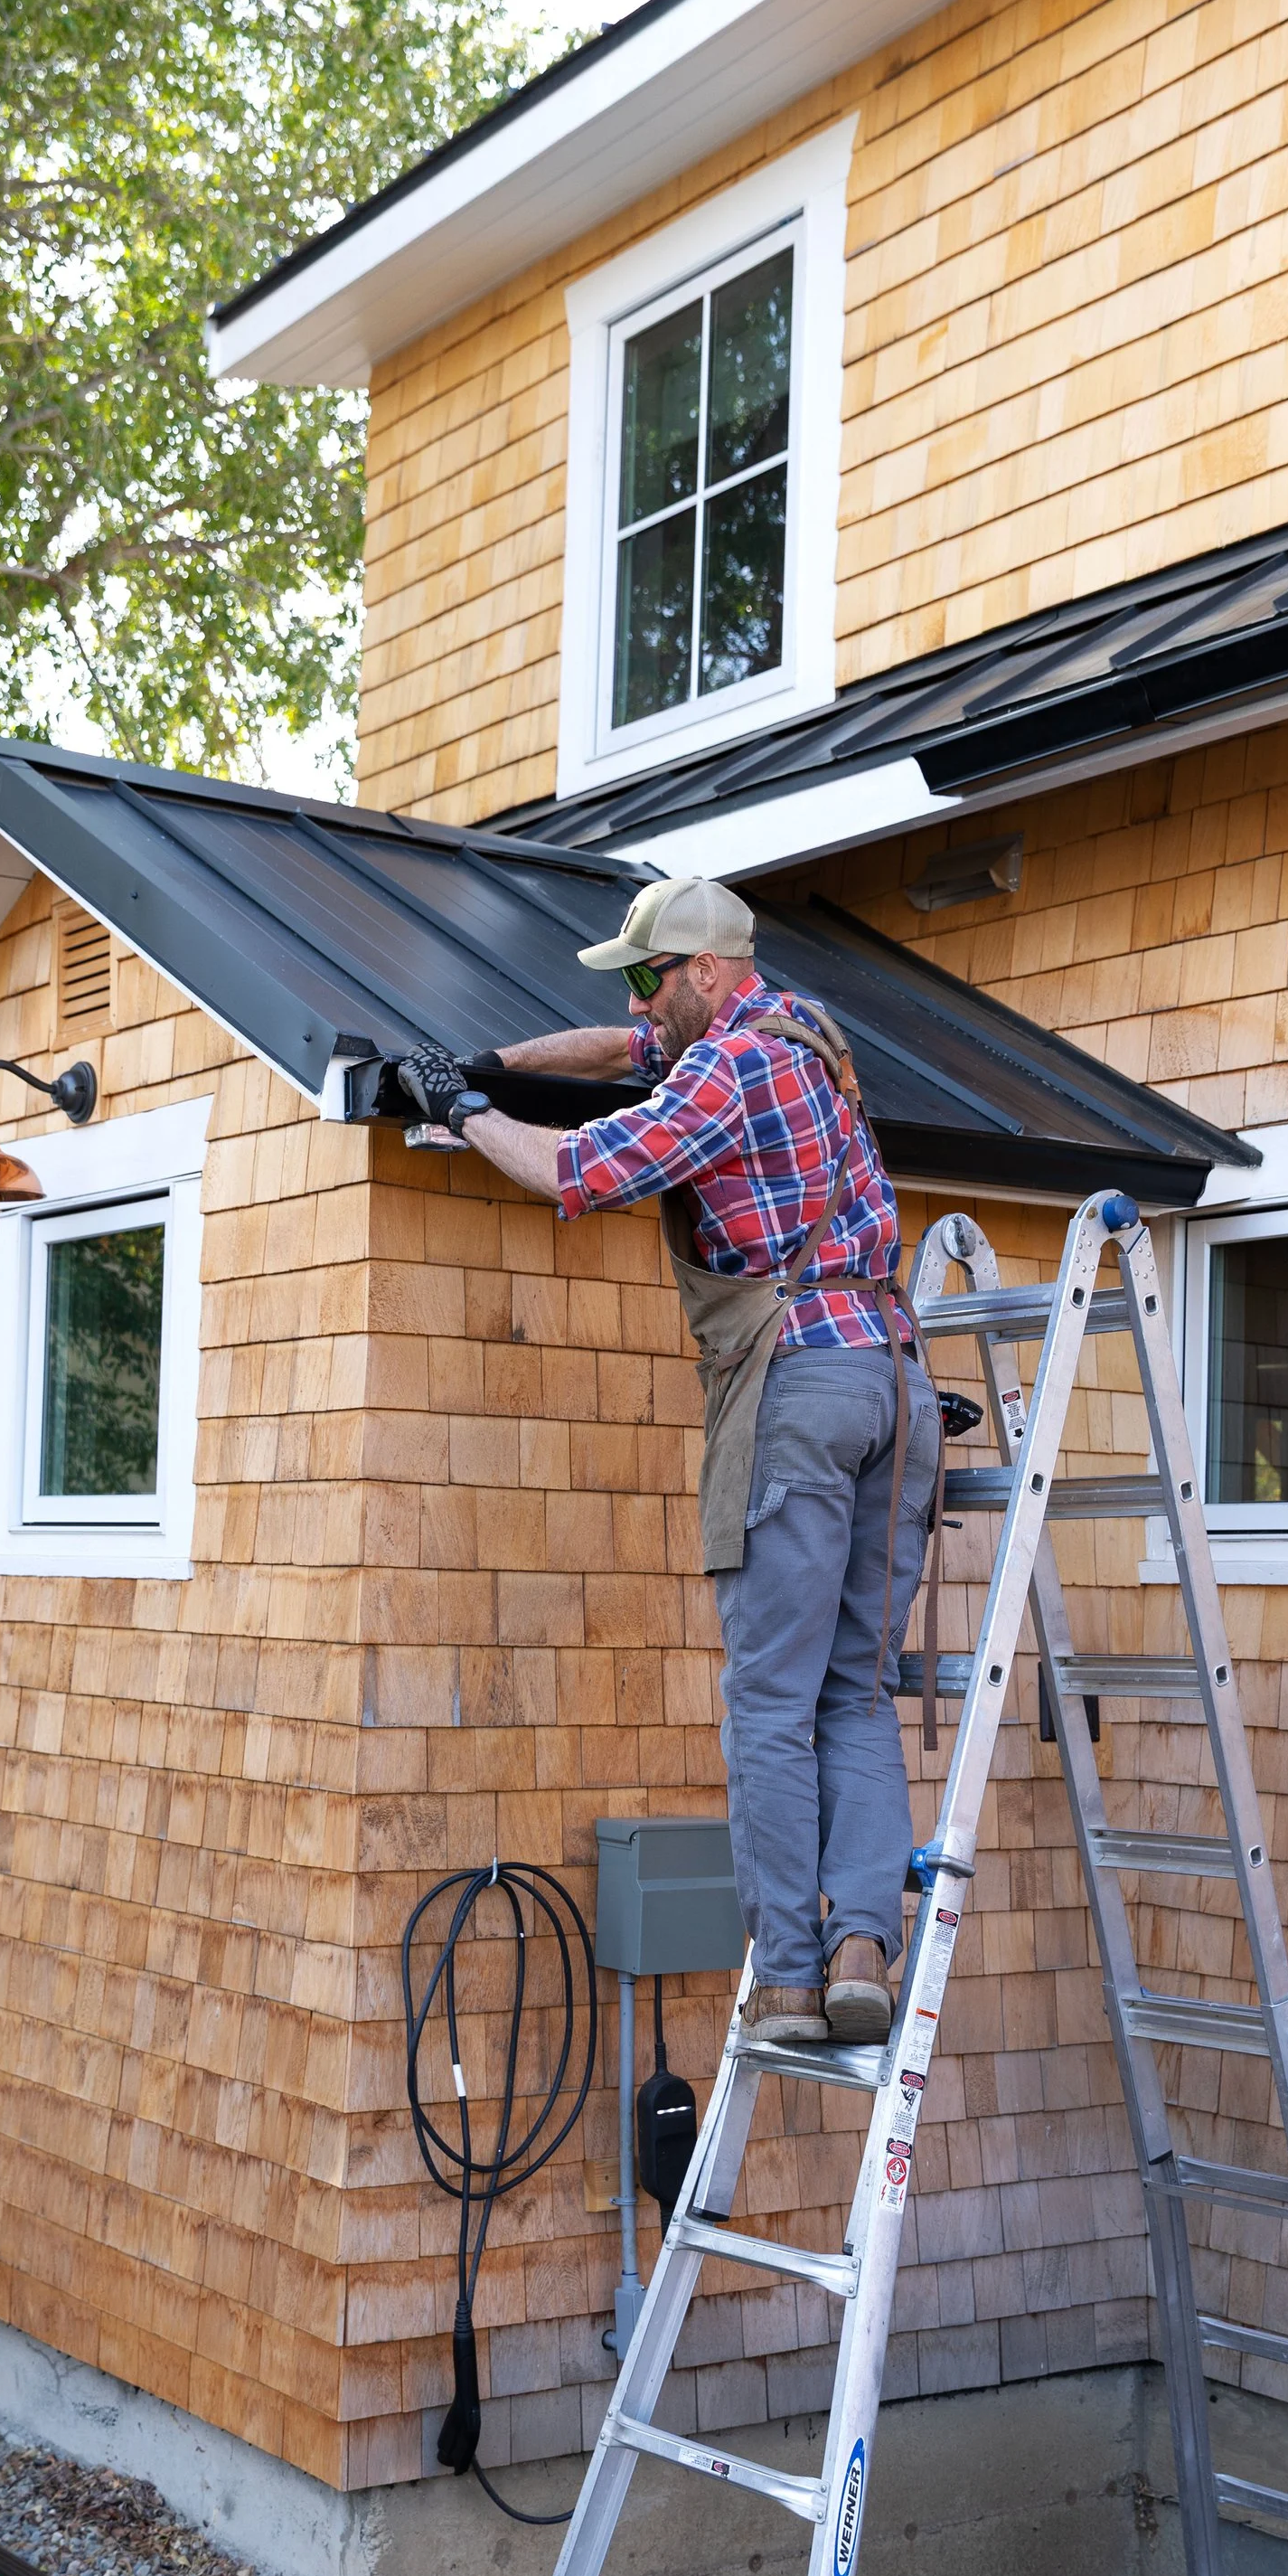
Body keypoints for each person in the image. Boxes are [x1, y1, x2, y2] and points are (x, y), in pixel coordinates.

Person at [398, 875, 942, 2046]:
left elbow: (577, 1170)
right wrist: (492, 1058)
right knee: (854, 1687)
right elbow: (617, 1045)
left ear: (705, 970)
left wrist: (461, 1106)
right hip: (898, 1383)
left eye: (652, 974)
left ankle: (790, 1978)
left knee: (768, 1697)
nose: (641, 999)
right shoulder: (805, 1034)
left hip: (798, 1386)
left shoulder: (722, 1073)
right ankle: (862, 1947)